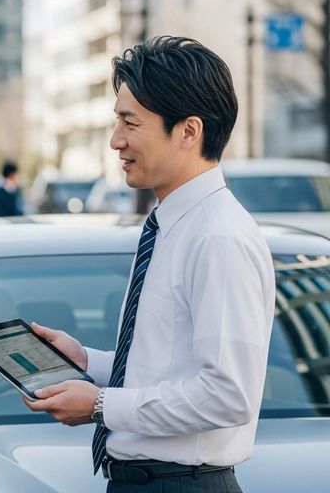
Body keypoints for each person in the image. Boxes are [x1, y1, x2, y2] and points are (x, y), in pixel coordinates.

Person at [24, 37, 275, 492]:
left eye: (130, 122)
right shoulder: (171, 223)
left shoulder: (219, 236)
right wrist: (86, 361)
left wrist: (101, 405)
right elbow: (166, 369)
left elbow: (227, 395)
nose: (115, 141)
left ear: (188, 131)